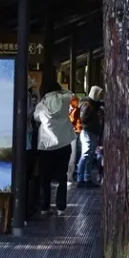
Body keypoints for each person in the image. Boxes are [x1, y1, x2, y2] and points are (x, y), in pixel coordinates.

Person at [34, 81, 76, 216]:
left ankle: (45, 207)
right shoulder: (65, 100)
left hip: (46, 145)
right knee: (62, 177)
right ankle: (61, 207)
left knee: (45, 178)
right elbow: (71, 95)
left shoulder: (42, 104)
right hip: (64, 143)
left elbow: (36, 117)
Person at [76, 85, 103, 188]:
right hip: (88, 132)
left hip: (91, 132)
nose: (100, 97)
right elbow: (83, 118)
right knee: (86, 155)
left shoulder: (92, 105)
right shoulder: (88, 105)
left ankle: (86, 178)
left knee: (90, 155)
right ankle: (81, 179)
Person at [67, 95, 83, 182]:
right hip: (72, 133)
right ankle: (69, 176)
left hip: (71, 133)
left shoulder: (73, 109)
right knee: (71, 156)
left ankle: (69, 176)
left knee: (71, 156)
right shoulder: (74, 110)